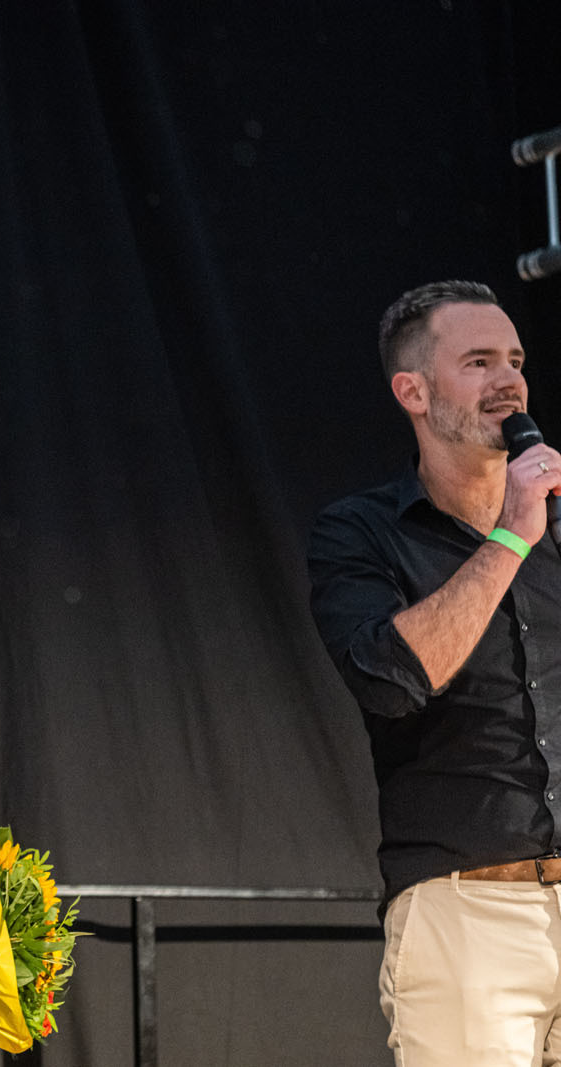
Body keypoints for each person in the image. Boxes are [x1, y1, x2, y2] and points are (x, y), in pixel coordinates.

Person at [309, 280, 561, 1066]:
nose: (508, 380)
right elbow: (392, 680)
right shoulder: (361, 532)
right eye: (479, 362)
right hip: (467, 914)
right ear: (413, 391)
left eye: (515, 360)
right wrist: (511, 536)